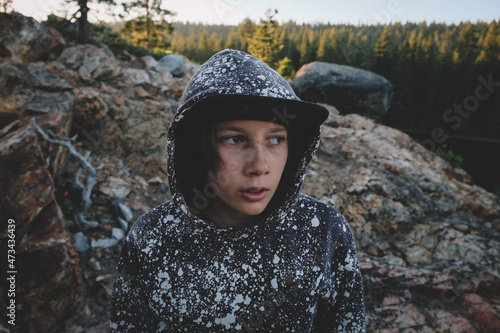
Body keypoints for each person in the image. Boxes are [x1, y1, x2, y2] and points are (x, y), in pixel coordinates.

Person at [110, 49, 365, 332]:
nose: (259, 165)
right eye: (235, 139)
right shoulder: (152, 237)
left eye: (276, 139)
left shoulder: (323, 230)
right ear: (196, 147)